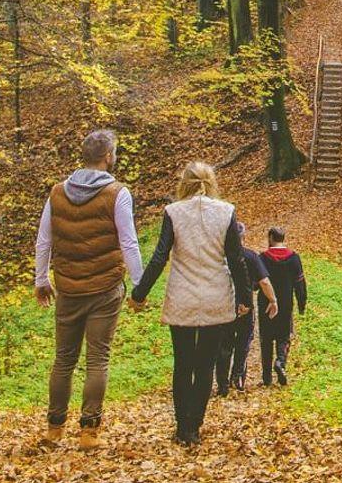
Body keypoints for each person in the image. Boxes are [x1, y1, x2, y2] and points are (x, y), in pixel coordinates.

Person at [34, 128, 143, 449]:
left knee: (63, 360)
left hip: (68, 288)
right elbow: (129, 242)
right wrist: (139, 285)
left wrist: (41, 279)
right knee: (98, 359)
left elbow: (44, 240)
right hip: (105, 288)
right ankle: (88, 432)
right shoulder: (117, 193)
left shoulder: (57, 193)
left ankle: (54, 429)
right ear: (108, 157)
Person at [130, 162, 250, 446]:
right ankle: (194, 425)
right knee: (206, 364)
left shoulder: (174, 212)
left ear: (184, 183)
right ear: (212, 182)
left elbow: (160, 256)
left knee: (183, 363)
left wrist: (139, 293)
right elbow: (236, 259)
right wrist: (245, 297)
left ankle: (182, 425)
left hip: (182, 297)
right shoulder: (226, 212)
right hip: (215, 296)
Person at [214, 231, 276, 395]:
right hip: (245, 307)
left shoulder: (219, 256)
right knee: (244, 341)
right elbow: (264, 281)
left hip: (223, 306)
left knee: (224, 345)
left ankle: (222, 385)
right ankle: (238, 376)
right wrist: (273, 300)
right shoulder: (250, 256)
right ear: (243, 237)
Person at [258, 226, 307, 387]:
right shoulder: (294, 258)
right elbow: (300, 283)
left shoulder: (263, 258)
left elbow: (256, 283)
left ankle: (266, 378)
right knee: (284, 336)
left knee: (266, 339)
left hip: (266, 304)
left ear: (271, 238)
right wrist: (301, 304)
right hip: (286, 305)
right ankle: (280, 362)